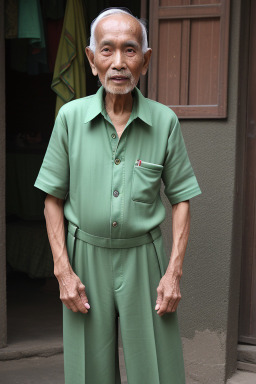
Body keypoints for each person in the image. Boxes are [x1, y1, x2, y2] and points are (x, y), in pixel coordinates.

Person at [34, 7, 201, 384]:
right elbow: (52, 199)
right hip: (84, 256)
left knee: (156, 368)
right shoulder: (70, 119)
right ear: (92, 60)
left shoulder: (164, 121)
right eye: (107, 50)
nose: (119, 62)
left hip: (146, 257)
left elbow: (182, 200)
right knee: (87, 370)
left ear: (146, 59)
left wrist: (173, 272)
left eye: (130, 49)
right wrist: (63, 270)